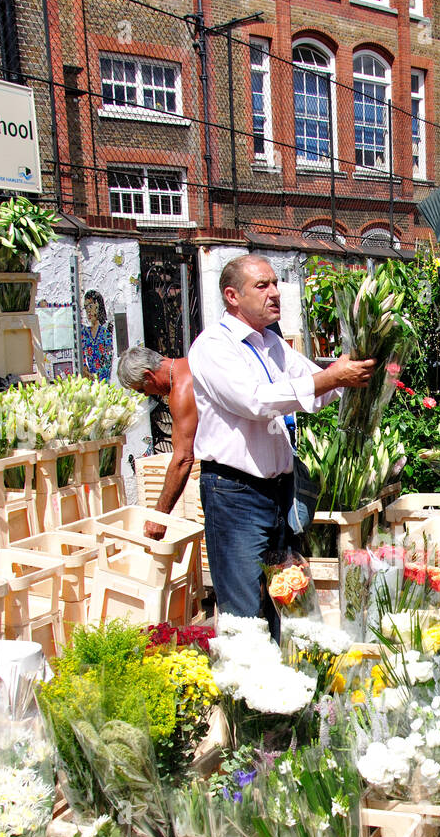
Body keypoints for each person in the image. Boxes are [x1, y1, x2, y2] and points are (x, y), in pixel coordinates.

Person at [188, 254, 376, 636]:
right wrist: (329, 379)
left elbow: (315, 389)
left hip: (276, 492)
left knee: (282, 598)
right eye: (262, 286)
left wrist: (353, 371)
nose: (275, 293)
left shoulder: (272, 344)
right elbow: (256, 401)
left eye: (275, 283)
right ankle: (245, 691)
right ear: (232, 296)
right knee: (244, 606)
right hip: (234, 492)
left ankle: (280, 688)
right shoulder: (213, 346)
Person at [117, 347, 197, 541]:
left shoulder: (181, 390)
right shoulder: (191, 362)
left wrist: (159, 517)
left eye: (142, 389)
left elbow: (183, 459)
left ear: (148, 375)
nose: (145, 395)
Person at [81, 290, 114, 382]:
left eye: (90, 306)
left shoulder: (107, 330)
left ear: (98, 305)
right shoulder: (85, 332)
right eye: (85, 307)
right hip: (89, 381)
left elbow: (109, 357)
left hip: (105, 381)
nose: (88, 311)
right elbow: (81, 355)